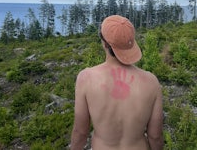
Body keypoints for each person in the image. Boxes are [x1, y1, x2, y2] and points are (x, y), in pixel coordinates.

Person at [70, 15, 163, 150]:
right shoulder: (151, 82)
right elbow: (155, 136)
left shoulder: (86, 78)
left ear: (105, 43)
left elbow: (81, 132)